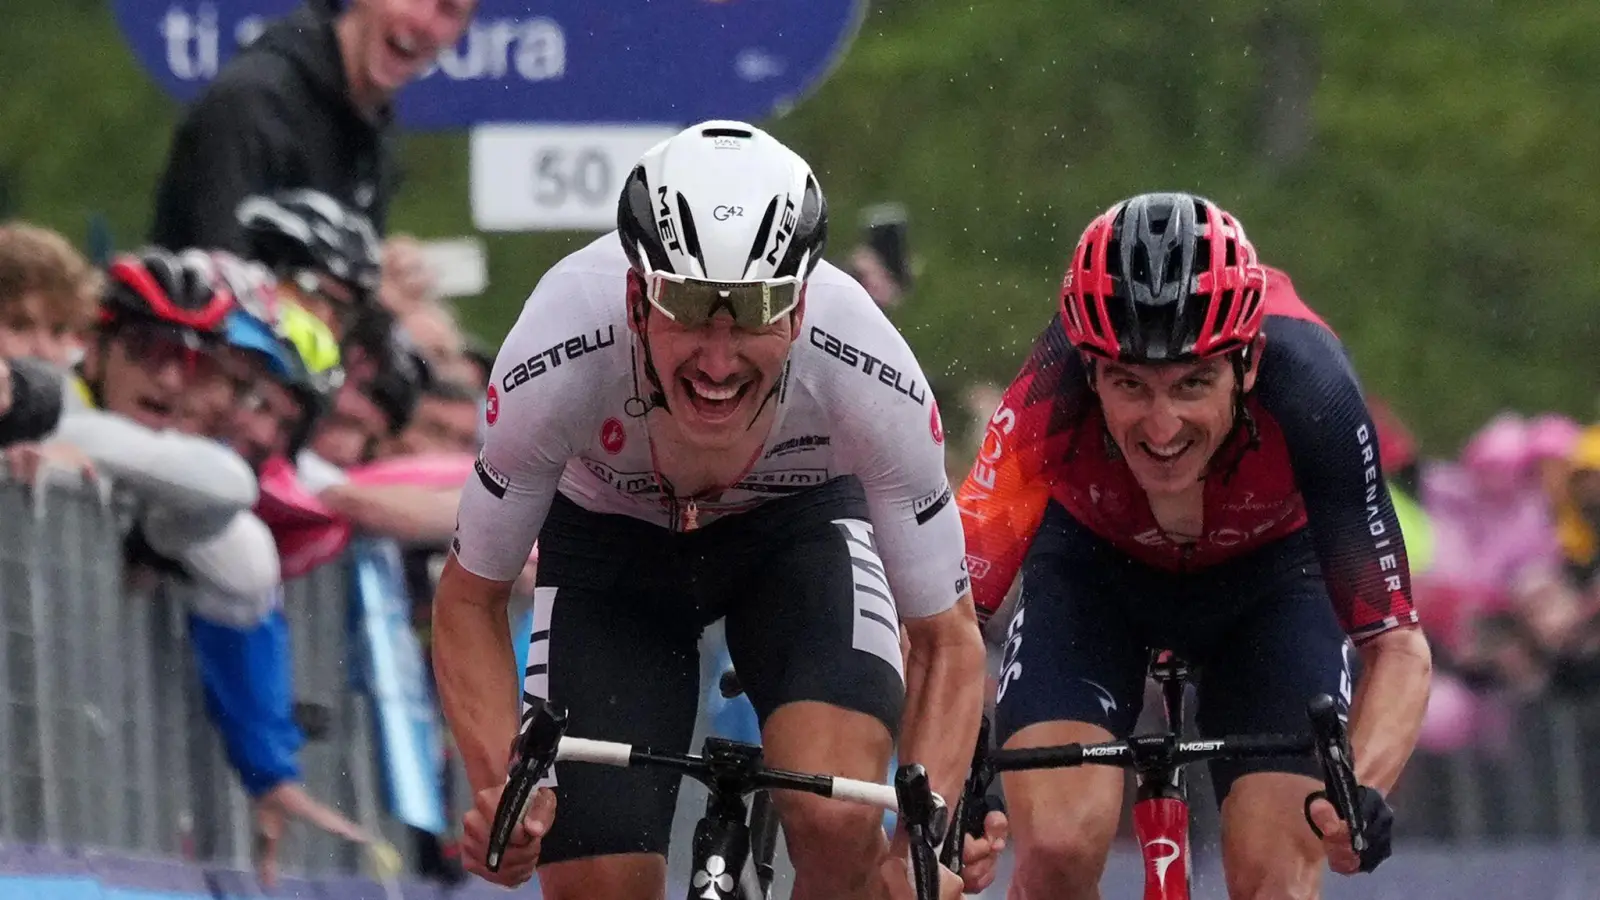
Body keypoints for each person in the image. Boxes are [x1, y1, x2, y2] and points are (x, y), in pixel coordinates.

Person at [432, 120, 989, 900]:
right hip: (610, 548)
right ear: (636, 297)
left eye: (755, 311)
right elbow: (469, 597)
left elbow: (947, 638)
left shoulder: (868, 364)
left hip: (797, 532)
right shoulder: (556, 347)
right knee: (598, 885)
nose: (719, 359)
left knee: (839, 823)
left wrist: (917, 846)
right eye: (690, 309)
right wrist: (507, 795)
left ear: (797, 312)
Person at [957, 193, 1433, 899]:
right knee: (1057, 846)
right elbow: (944, 622)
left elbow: (1398, 645)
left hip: (1270, 583)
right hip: (1095, 573)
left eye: (1192, 384)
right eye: (1129, 384)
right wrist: (958, 777)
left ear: (1247, 365)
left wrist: (1357, 790)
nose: (1161, 424)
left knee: (1278, 869)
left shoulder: (1314, 392)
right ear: (1090, 371)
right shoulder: (1052, 386)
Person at [149, 0, 475, 253]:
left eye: (448, 10)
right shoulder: (251, 102)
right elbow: (223, 292)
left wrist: (383, 284)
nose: (423, 22)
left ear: (460, 33)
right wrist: (366, 289)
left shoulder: (372, 122)